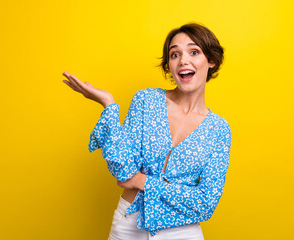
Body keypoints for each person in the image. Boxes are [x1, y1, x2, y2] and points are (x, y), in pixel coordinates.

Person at [62, 22, 231, 240]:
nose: (183, 60)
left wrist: (142, 181)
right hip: (129, 225)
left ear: (211, 61)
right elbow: (122, 170)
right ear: (169, 65)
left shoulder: (219, 130)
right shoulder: (146, 101)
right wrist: (108, 105)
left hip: (183, 232)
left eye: (194, 51)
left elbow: (205, 203)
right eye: (174, 54)